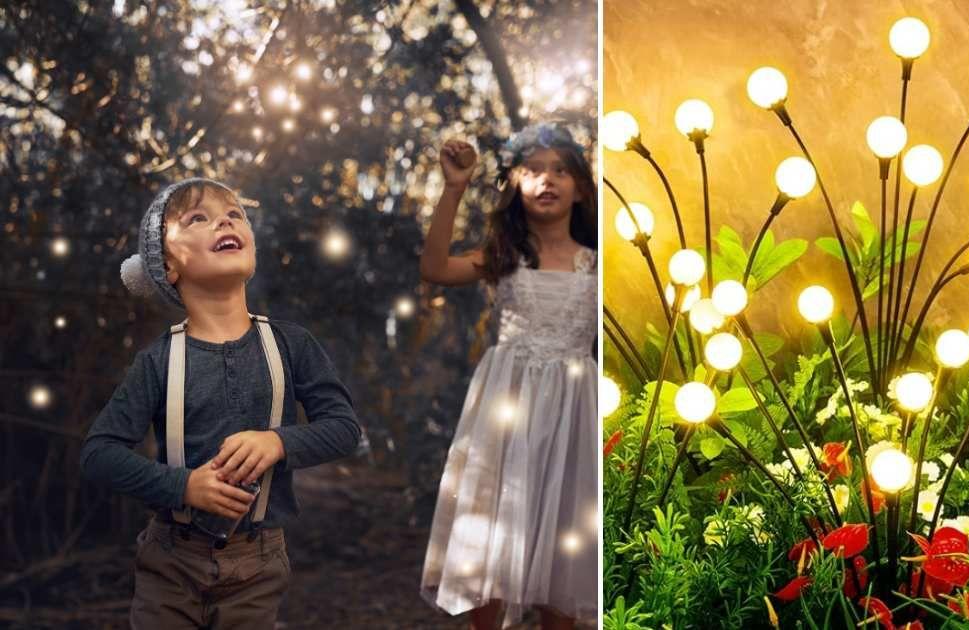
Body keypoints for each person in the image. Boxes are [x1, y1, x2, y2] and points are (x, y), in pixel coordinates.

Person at [80, 178, 362, 628]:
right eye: (199, 218)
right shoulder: (158, 361)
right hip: (169, 562)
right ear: (167, 265)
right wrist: (183, 487)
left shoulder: (291, 344)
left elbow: (345, 428)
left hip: (259, 563)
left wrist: (278, 442)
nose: (226, 220)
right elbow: (98, 454)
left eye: (235, 214)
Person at [419, 123, 598, 629]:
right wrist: (454, 188)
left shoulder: (596, 266)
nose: (547, 180)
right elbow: (433, 268)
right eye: (533, 169)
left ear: (581, 187)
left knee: (563, 534)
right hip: (507, 409)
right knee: (492, 529)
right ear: (515, 185)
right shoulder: (504, 258)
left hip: (570, 410)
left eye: (561, 170)